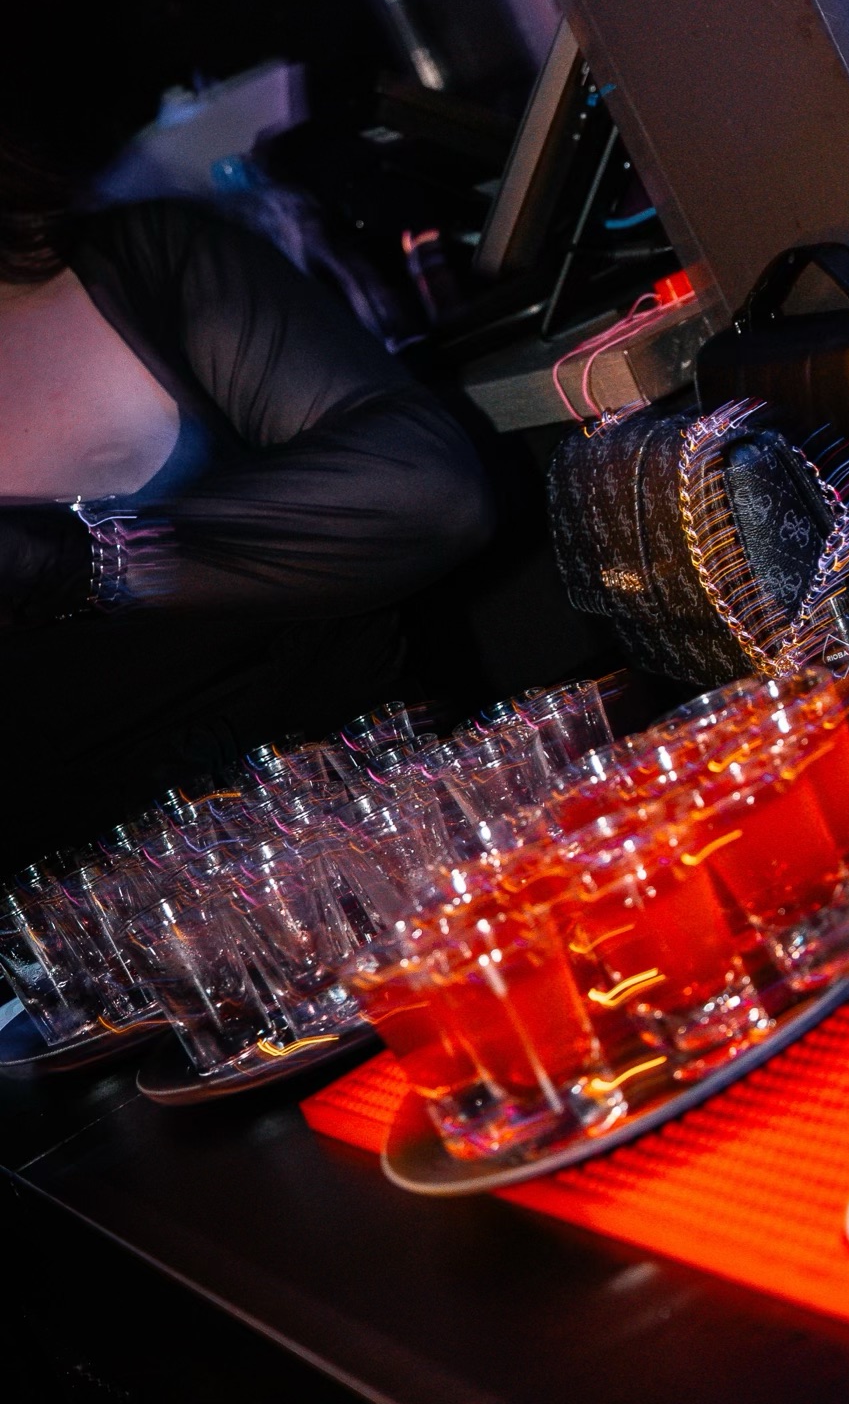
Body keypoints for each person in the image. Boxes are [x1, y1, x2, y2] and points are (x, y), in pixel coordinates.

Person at [0, 135, 494, 863]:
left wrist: (85, 559)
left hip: (402, 839)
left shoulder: (146, 260)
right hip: (111, 927)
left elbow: (433, 490)